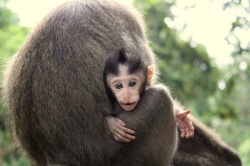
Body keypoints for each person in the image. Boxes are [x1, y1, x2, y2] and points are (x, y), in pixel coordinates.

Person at [104, 48, 194, 142]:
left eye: (132, 84)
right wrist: (109, 122)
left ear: (149, 76)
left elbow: (156, 104)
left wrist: (175, 113)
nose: (126, 96)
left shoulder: (145, 92)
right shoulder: (109, 100)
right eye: (118, 86)